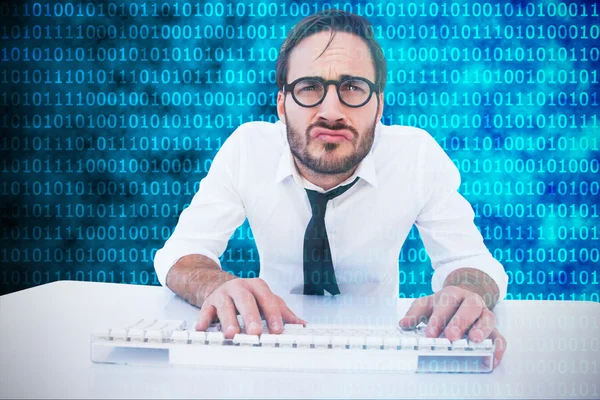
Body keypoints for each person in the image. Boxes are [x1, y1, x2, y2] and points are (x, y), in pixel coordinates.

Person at [154, 10, 508, 367]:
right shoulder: (247, 149)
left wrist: (466, 293)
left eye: (353, 87)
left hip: (379, 357)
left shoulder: (417, 157)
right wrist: (213, 285)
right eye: (309, 87)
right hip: (267, 347)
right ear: (281, 104)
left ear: (379, 105)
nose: (331, 111)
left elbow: (470, 261)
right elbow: (183, 251)